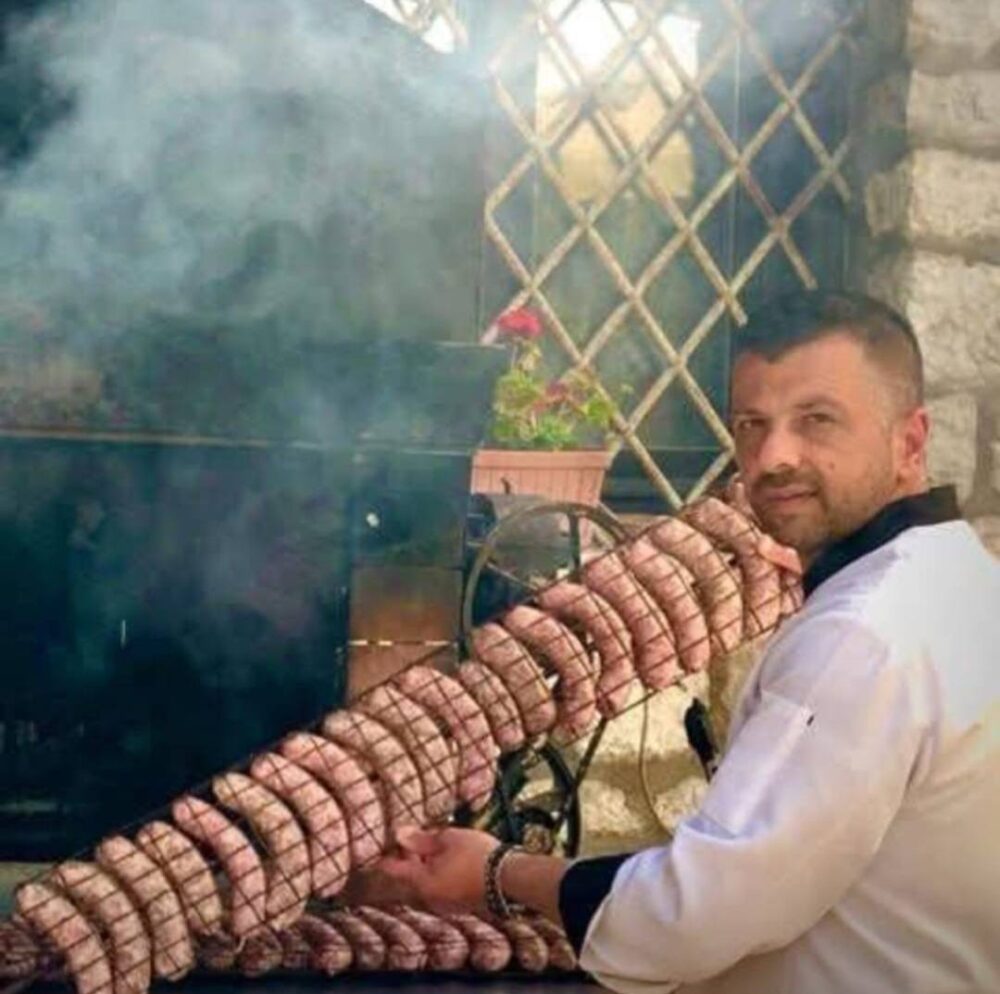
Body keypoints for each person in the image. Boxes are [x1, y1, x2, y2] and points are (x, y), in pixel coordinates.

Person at [370, 291, 1000, 993]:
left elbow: (693, 916)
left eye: (817, 421)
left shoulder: (865, 632)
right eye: (751, 425)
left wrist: (499, 873)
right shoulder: (959, 580)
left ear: (909, 442)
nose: (773, 456)